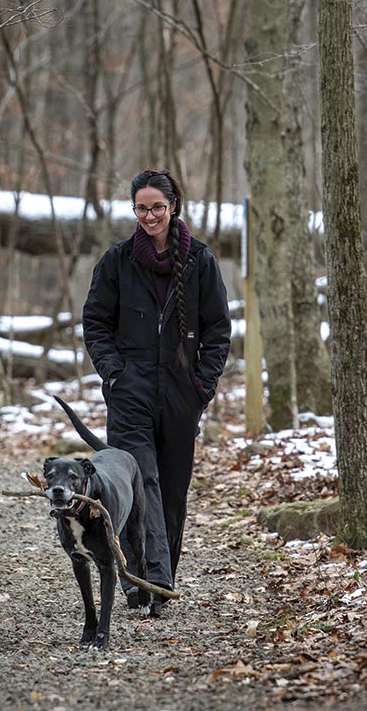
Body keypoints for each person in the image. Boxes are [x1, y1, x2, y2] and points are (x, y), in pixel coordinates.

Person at [82, 169, 231, 612]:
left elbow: (219, 330)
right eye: (142, 208)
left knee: (172, 489)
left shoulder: (200, 262)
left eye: (158, 208)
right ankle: (146, 581)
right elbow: (95, 324)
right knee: (137, 483)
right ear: (134, 210)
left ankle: (155, 577)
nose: (150, 216)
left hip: (182, 393)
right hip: (130, 390)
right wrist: (114, 373)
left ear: (173, 207)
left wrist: (203, 385)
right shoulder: (117, 261)